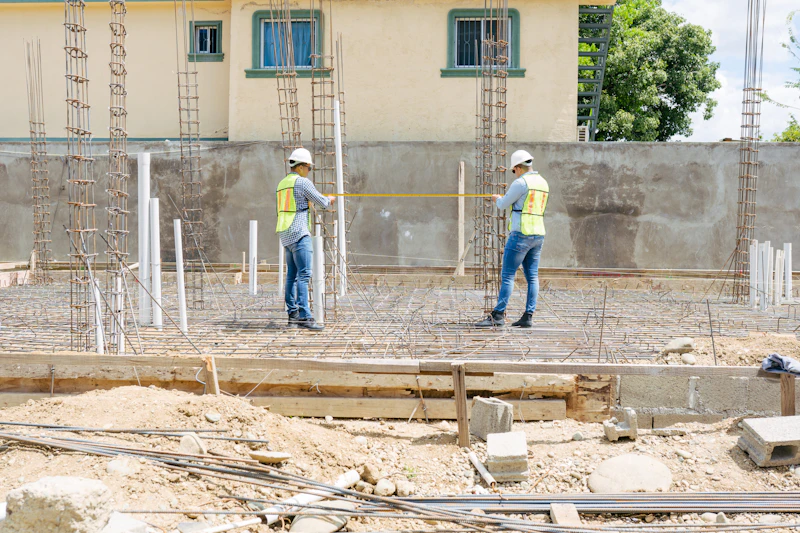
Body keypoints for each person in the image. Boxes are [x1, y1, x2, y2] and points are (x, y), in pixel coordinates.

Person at [475, 149, 549, 328]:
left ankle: (498, 315)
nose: (513, 174)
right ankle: (528, 316)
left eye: (513, 170)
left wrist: (496, 198)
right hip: (538, 234)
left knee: (508, 275)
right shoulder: (543, 183)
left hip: (521, 234)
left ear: (518, 167)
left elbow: (502, 204)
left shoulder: (521, 183)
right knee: (532, 277)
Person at [276, 147, 335, 331]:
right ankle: (305, 317)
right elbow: (323, 202)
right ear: (302, 166)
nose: (309, 171)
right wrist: (330, 199)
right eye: (309, 168)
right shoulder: (302, 183)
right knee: (304, 275)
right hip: (300, 233)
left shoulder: (282, 183)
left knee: (292, 276)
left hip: (286, 234)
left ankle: (292, 315)